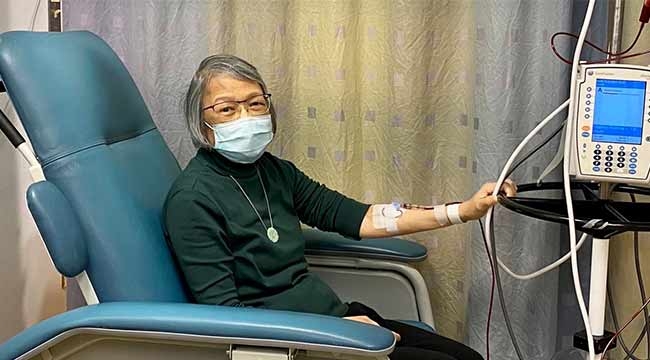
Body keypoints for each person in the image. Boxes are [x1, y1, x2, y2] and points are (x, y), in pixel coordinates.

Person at [163, 54, 517, 360]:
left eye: (256, 103)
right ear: (202, 124)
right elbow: (226, 318)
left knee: (465, 356)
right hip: (291, 342)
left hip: (333, 320)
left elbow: (360, 217)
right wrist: (335, 334)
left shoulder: (274, 171)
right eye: (227, 108)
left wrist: (462, 210)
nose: (246, 116)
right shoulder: (193, 199)